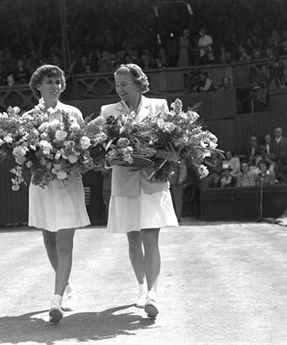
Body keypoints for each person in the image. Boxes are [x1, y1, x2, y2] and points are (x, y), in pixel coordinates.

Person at [99, 64, 178, 318]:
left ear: (137, 83)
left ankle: (154, 293)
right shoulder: (108, 111)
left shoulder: (159, 106)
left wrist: (165, 155)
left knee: (150, 238)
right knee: (133, 238)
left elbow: (173, 145)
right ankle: (142, 288)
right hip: (124, 181)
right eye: (117, 85)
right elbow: (103, 154)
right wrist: (114, 158)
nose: (120, 89)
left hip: (153, 180)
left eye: (124, 84)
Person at [27, 65, 90, 323]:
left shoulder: (73, 113)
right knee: (49, 242)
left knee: (65, 242)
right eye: (49, 81)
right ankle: (68, 288)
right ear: (38, 86)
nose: (55, 85)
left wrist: (71, 160)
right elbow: (25, 156)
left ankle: (56, 299)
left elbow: (86, 150)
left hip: (67, 184)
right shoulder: (30, 117)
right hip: (42, 186)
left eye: (58, 81)